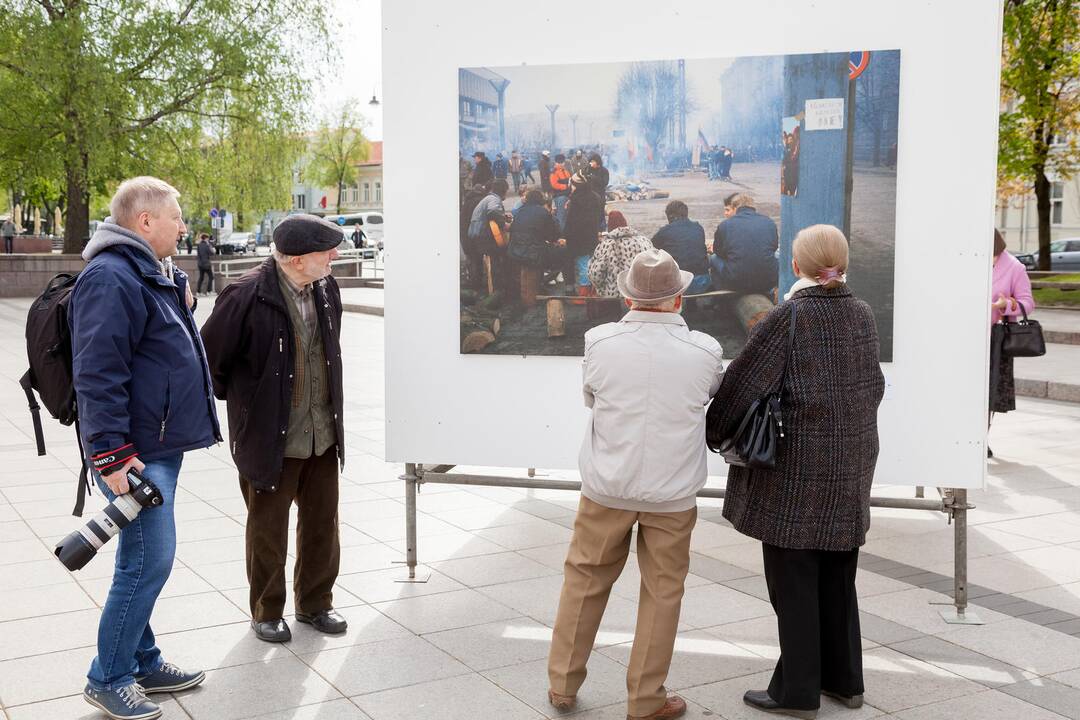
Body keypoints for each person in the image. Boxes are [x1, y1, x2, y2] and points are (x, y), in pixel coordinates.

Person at [709, 224, 884, 719]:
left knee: (794, 578)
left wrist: (716, 432)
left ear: (795, 267)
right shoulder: (863, 313)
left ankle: (798, 691)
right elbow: (874, 385)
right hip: (851, 461)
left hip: (797, 470)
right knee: (837, 574)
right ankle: (845, 681)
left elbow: (741, 386)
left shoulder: (787, 317)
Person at [548, 248, 723, 720]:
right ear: (678, 299)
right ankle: (646, 701)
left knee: (584, 580)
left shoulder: (600, 342)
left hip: (607, 484)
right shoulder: (705, 351)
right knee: (663, 592)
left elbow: (591, 398)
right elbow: (712, 397)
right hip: (673, 493)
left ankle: (563, 683)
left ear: (627, 297)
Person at [70, 177, 219, 720]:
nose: (184, 226)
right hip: (134, 450)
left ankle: (143, 660)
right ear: (145, 222)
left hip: (155, 441)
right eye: (177, 217)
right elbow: (97, 373)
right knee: (148, 561)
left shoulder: (151, 273)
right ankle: (108, 676)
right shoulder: (111, 278)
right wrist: (110, 456)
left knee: (140, 558)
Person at [201, 214, 348, 644]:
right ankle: (267, 610)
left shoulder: (326, 288)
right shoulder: (245, 295)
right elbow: (210, 364)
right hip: (270, 438)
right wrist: (252, 408)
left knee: (323, 523)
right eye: (327, 251)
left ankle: (316, 602)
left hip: (322, 433)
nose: (335, 256)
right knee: (267, 530)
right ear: (299, 259)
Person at [988, 228, 1035, 457]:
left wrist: (1006, 304)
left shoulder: (1015, 267)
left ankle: (980, 437)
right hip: (968, 338)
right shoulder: (968, 260)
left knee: (990, 390)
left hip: (996, 339)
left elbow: (1028, 303)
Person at [710, 193, 779, 295]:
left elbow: (718, 252)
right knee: (776, 256)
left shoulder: (725, 225)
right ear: (753, 207)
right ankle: (775, 289)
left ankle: (720, 294)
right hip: (767, 281)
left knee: (713, 258)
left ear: (735, 207)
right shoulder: (769, 222)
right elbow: (774, 247)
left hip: (736, 282)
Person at [587, 210, 654, 297]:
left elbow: (595, 276)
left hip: (613, 297)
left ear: (609, 226)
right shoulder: (644, 241)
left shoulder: (606, 245)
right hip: (641, 295)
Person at [650, 201, 710, 294]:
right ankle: (693, 303)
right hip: (702, 283)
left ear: (670, 216)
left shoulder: (664, 231)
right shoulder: (698, 227)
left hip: (676, 285)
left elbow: (652, 248)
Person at [507, 190, 567, 282]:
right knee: (563, 251)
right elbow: (553, 235)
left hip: (515, 251)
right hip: (533, 253)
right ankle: (547, 280)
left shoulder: (519, 212)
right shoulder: (543, 212)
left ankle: (541, 281)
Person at [466, 179, 511, 293]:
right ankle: (498, 289)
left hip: (476, 234)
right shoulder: (493, 199)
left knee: (497, 256)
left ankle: (496, 287)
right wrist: (505, 224)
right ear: (503, 191)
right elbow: (493, 212)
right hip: (483, 235)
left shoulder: (488, 198)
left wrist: (503, 215)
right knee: (500, 255)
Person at [562, 173, 602, 297]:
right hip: (591, 235)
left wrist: (565, 236)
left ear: (577, 185)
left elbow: (571, 221)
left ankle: (584, 295)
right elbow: (599, 217)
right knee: (591, 263)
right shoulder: (595, 196)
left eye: (572, 183)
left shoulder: (575, 200)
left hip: (578, 238)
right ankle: (593, 291)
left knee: (583, 265)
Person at [586, 152, 610, 229]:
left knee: (600, 214)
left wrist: (594, 178)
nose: (591, 163)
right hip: (590, 196)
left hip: (600, 195)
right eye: (591, 161)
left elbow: (605, 183)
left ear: (597, 161)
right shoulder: (589, 170)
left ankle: (602, 229)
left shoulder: (604, 171)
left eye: (593, 161)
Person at [550, 154, 572, 230]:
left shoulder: (566, 171)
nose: (562, 164)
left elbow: (570, 180)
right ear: (556, 163)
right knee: (561, 216)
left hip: (567, 196)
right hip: (560, 197)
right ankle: (561, 234)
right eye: (560, 162)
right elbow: (554, 185)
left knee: (566, 216)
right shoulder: (554, 172)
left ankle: (566, 233)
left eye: (563, 162)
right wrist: (566, 186)